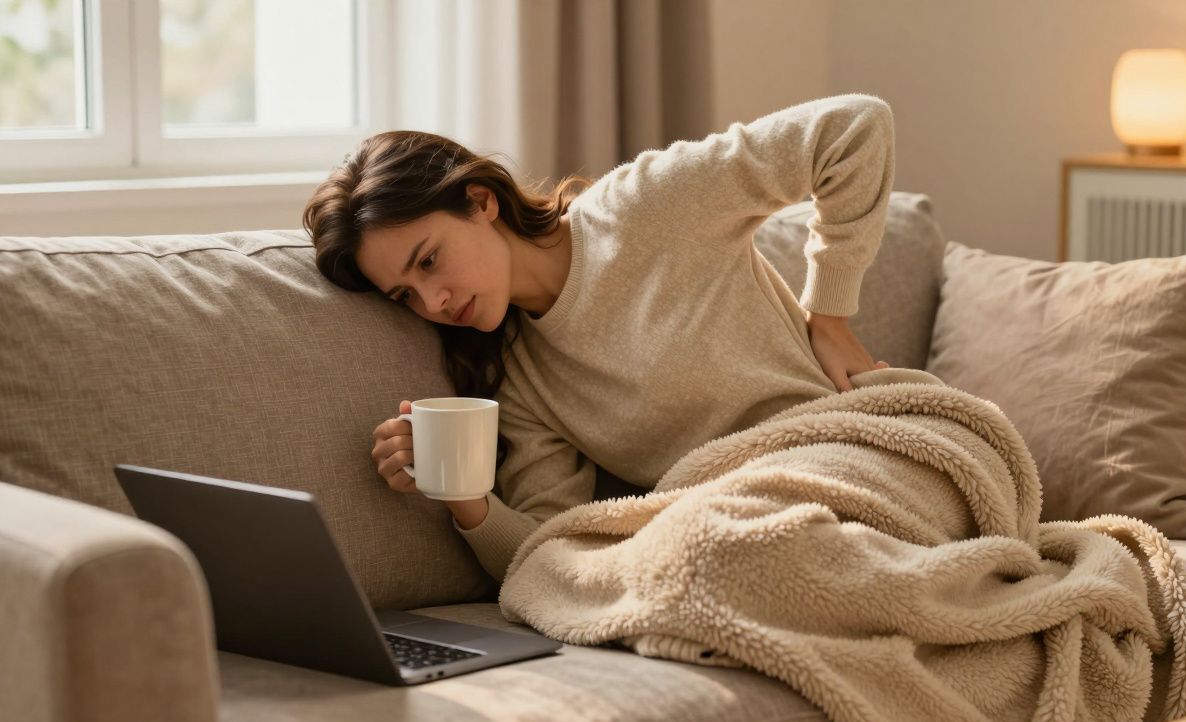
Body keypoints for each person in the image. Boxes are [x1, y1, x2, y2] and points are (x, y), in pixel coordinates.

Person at [304, 93, 896, 583]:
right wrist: (461, 492)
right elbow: (550, 554)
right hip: (739, 526)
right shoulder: (519, 378)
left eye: (429, 260)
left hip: (850, 456)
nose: (431, 303)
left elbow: (852, 128)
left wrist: (829, 316)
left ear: (480, 202)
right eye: (405, 295)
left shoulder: (644, 204)